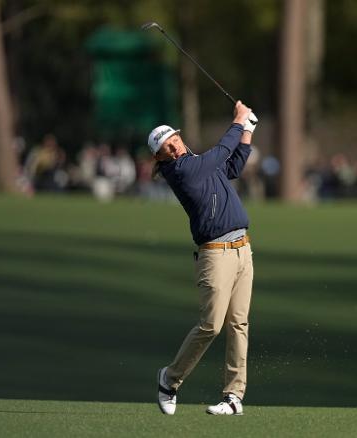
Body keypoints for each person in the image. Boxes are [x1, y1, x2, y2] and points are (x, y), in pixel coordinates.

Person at [150, 101, 258, 416]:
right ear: (160, 157)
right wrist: (238, 121)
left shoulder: (197, 162)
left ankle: (233, 396)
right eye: (166, 147)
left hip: (242, 249)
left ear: (180, 137)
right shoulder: (181, 170)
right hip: (215, 255)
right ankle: (169, 380)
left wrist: (248, 131)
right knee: (211, 325)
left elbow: (233, 166)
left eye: (174, 140)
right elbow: (223, 150)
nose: (173, 147)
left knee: (239, 323)